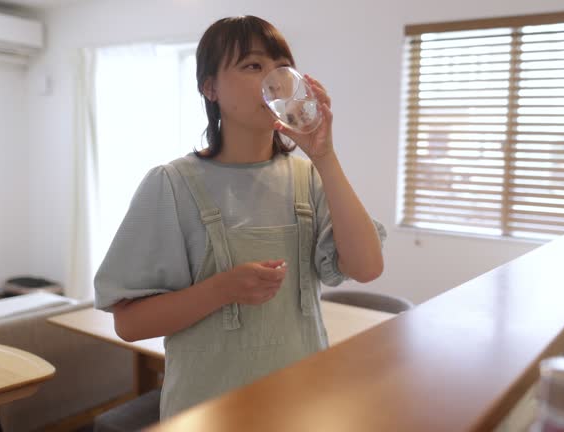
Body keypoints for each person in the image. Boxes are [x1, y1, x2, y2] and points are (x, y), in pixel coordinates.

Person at [93, 15, 386, 420]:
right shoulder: (172, 185)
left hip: (301, 403)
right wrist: (222, 289)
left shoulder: (309, 177)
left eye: (281, 66)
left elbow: (368, 267)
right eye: (253, 66)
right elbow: (129, 323)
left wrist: (325, 157)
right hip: (206, 412)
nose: (274, 80)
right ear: (209, 87)